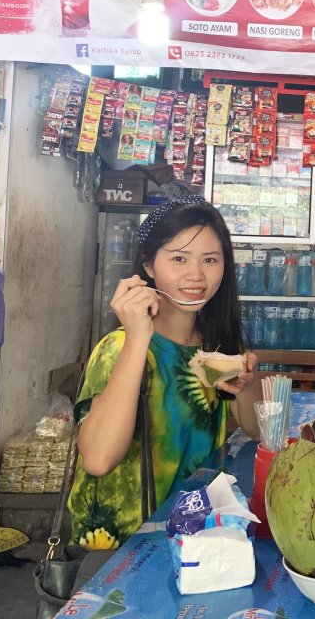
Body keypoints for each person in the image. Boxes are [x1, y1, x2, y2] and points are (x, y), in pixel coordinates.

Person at [69, 196, 259, 550]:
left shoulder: (212, 346)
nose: (196, 275)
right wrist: (138, 338)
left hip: (195, 537)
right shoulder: (120, 348)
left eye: (210, 260)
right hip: (124, 550)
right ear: (149, 265)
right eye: (178, 258)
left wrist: (245, 386)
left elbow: (257, 430)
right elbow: (97, 460)